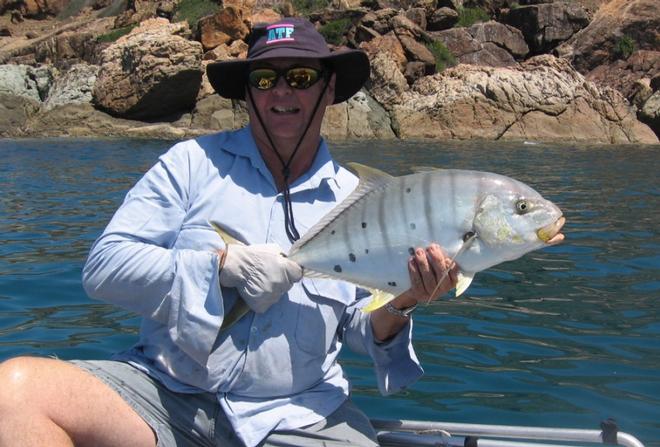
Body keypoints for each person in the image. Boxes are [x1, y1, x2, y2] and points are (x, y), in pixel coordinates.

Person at [0, 17, 459, 447]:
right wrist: (220, 267)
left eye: (300, 76)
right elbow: (104, 267)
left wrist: (405, 300)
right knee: (14, 392)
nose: (281, 91)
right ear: (247, 92)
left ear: (329, 86)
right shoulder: (190, 164)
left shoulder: (359, 199)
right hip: (165, 396)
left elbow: (360, 328)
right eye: (264, 79)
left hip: (302, 414)